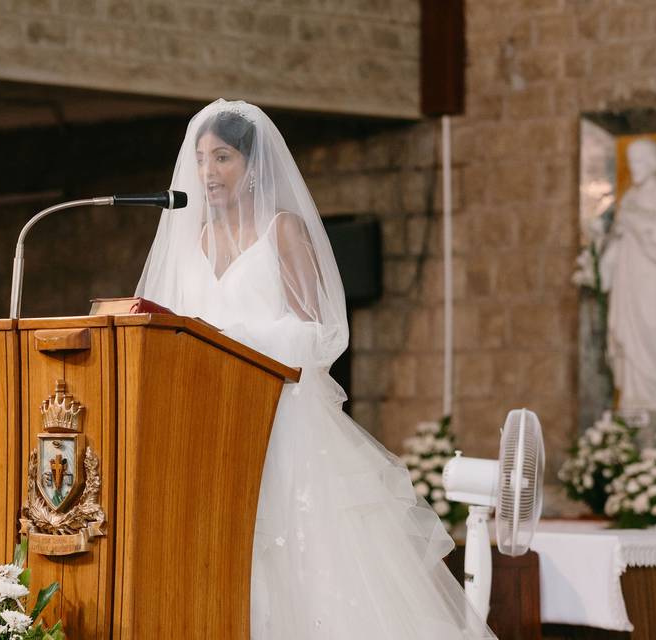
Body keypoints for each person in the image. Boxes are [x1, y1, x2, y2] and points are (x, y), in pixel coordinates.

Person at [137, 99, 495, 639]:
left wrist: (229, 343)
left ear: (253, 165)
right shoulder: (198, 241)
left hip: (284, 424)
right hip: (215, 426)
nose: (208, 172)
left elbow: (319, 334)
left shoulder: (282, 231)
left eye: (223, 158)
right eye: (202, 158)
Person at [600, 138, 656, 412]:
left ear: (653, 162)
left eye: (639, 161)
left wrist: (642, 223)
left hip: (654, 277)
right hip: (628, 278)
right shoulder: (630, 197)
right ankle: (635, 397)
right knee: (630, 333)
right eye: (631, 162)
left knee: (655, 332)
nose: (634, 167)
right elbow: (618, 234)